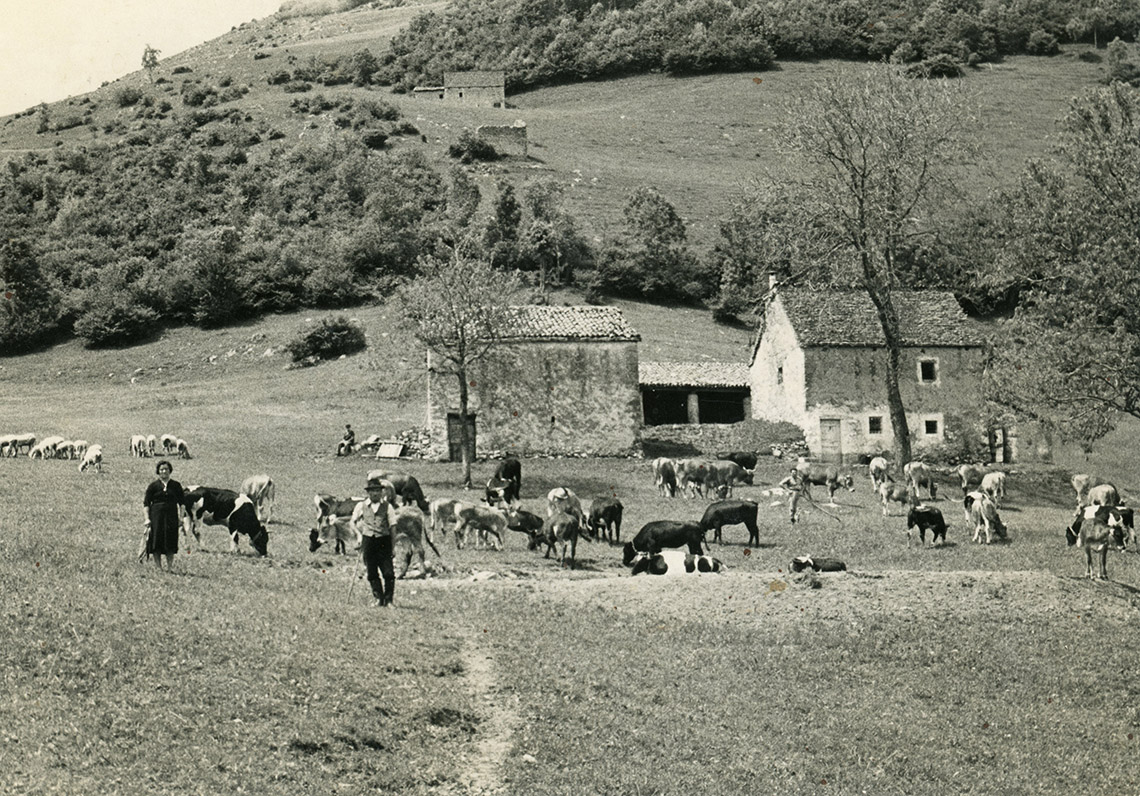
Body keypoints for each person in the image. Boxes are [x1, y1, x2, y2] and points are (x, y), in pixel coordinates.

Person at [351, 477, 398, 607]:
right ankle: (378, 598)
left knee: (388, 572)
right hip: (368, 541)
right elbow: (352, 522)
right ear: (368, 492)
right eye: (373, 491)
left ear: (382, 492)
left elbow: (393, 527)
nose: (376, 493)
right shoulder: (361, 506)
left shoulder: (388, 507)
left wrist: (393, 546)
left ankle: (389, 600)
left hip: (384, 541)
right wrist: (359, 535)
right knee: (371, 572)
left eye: (378, 491)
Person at [143, 459, 187, 572]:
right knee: (156, 541)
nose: (164, 471)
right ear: (158, 471)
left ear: (170, 470)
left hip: (171, 517)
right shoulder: (153, 486)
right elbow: (146, 504)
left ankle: (170, 567)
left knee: (170, 541)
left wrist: (181, 518)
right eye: (161, 469)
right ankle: (159, 567)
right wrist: (147, 519)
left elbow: (182, 504)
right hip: (156, 517)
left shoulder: (176, 486)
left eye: (166, 469)